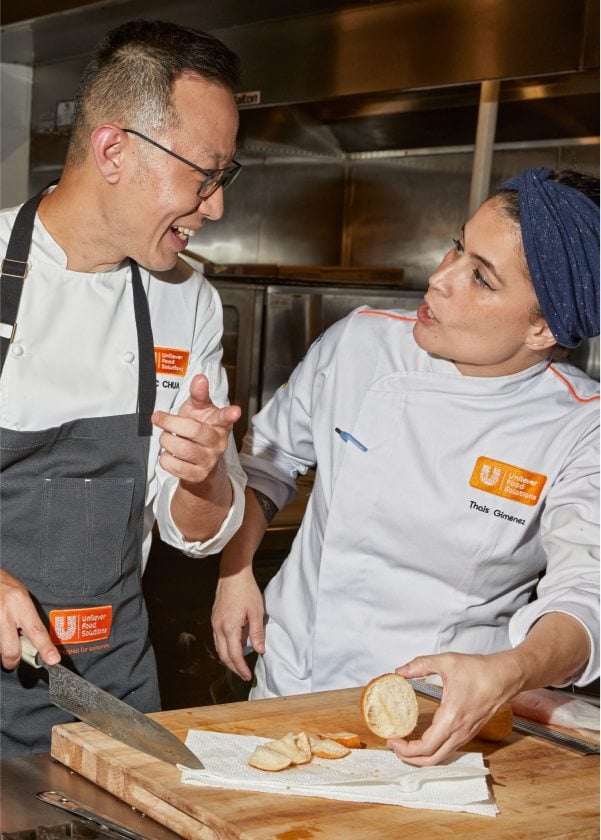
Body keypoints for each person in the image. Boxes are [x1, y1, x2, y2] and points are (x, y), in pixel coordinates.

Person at [212, 167, 600, 766]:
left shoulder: (581, 426)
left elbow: (586, 597)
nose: (440, 278)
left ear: (543, 327)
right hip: (289, 688)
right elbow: (270, 461)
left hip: (440, 720)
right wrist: (235, 568)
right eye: (456, 246)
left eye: (481, 277)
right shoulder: (359, 344)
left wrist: (512, 669)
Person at [0, 19, 247, 755]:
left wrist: (203, 476)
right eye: (204, 174)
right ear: (113, 151)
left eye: (224, 178)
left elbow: (194, 531)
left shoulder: (188, 301)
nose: (215, 206)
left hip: (107, 684)